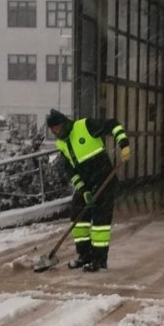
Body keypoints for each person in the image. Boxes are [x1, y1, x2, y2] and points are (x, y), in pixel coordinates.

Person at [46, 108, 131, 272]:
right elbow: (70, 169)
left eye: (57, 128)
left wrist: (124, 144)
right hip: (86, 183)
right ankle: (84, 256)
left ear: (64, 124)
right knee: (78, 218)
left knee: (100, 223)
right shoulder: (61, 143)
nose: (55, 132)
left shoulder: (85, 125)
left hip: (104, 179)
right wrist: (83, 190)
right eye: (52, 130)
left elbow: (113, 125)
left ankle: (99, 260)